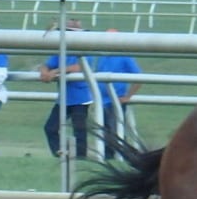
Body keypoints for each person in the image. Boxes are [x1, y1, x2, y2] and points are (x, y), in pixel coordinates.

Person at [39, 19, 92, 158]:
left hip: (80, 98)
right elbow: (47, 64)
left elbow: (79, 67)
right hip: (64, 98)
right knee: (50, 128)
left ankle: (80, 158)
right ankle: (60, 154)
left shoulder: (86, 49)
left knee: (79, 131)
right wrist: (44, 71)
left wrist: (55, 71)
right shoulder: (62, 50)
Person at [96, 29, 142, 159]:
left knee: (115, 130)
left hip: (117, 101)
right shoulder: (102, 56)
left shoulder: (124, 56)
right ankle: (109, 156)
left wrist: (128, 96)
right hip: (103, 101)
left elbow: (139, 77)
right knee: (105, 130)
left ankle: (121, 156)